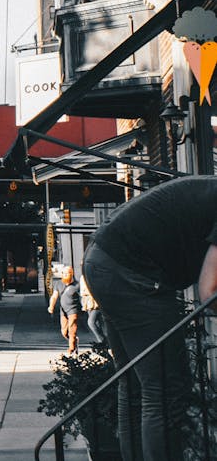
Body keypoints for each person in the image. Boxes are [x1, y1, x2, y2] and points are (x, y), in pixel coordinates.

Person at [82, 175, 217, 461]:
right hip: (133, 273)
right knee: (165, 391)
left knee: (133, 386)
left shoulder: (209, 188)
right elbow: (210, 291)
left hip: (103, 259)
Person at [47, 266, 80, 354]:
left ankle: (71, 349)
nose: (65, 275)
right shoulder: (58, 284)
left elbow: (82, 297)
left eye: (68, 273)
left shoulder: (77, 285)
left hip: (73, 310)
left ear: (72, 274)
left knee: (72, 330)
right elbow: (54, 296)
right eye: (64, 273)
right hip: (63, 311)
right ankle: (74, 341)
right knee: (64, 332)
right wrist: (51, 306)